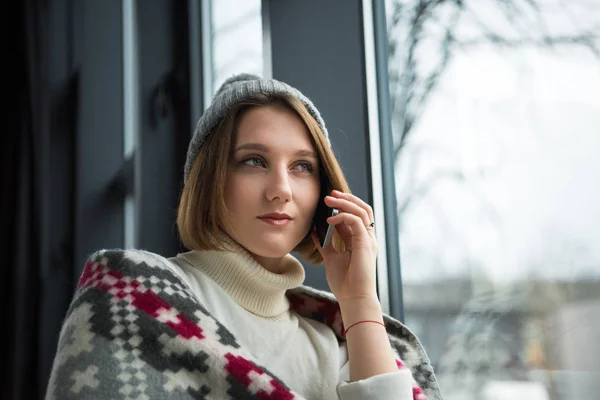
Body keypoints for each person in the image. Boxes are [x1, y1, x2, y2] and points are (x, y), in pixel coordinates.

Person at [45, 74, 443, 400]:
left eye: (303, 166)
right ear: (210, 181)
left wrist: (359, 302)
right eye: (254, 161)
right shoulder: (130, 296)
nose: (281, 189)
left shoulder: (336, 344)